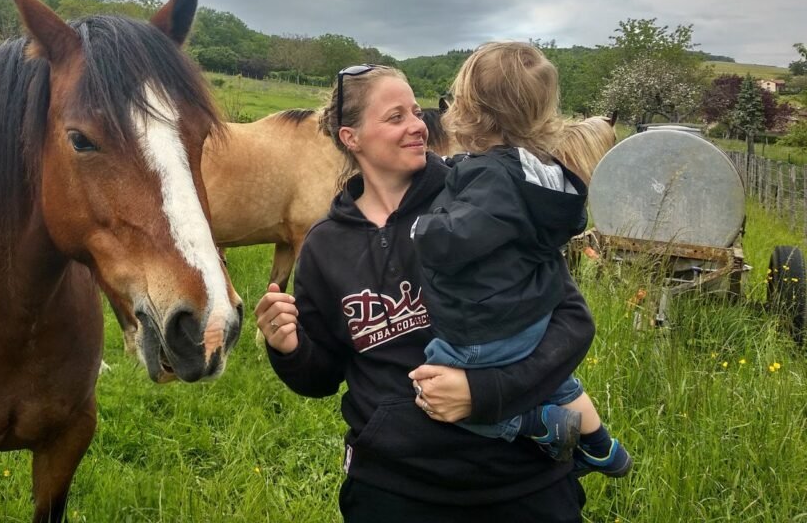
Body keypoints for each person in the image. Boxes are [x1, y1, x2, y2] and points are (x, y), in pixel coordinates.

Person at [255, 64, 595, 523]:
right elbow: (321, 378)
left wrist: (485, 392)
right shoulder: (326, 245)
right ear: (350, 137)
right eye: (396, 117)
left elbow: (573, 322)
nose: (418, 124)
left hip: (520, 479)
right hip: (394, 486)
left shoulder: (478, 198)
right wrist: (289, 347)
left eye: (416, 111)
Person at [412, 42, 632, 477]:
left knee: (432, 389)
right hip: (536, 313)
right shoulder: (541, 171)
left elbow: (459, 235)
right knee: (561, 382)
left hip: (486, 326)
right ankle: (602, 447)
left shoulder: (492, 176)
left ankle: (536, 424)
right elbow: (503, 208)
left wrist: (423, 229)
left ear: (470, 109)